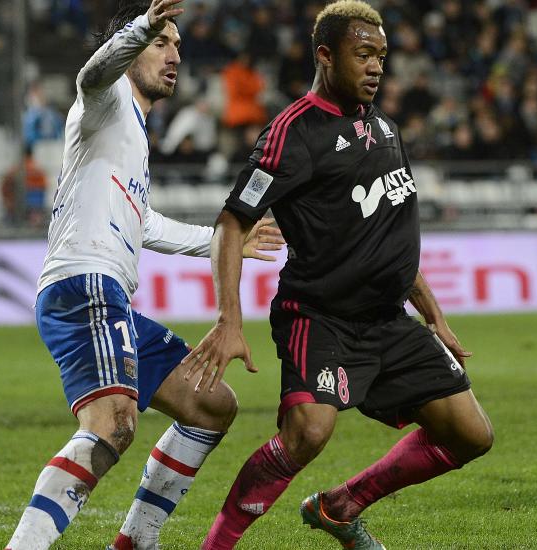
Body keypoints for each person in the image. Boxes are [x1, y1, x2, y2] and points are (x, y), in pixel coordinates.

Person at [183, 2, 494, 548]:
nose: (376, 67)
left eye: (381, 56)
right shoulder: (293, 133)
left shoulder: (385, 129)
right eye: (363, 55)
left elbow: (389, 235)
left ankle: (341, 506)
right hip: (320, 318)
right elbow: (231, 224)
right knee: (308, 433)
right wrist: (229, 320)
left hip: (388, 321)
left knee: (471, 435)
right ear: (325, 56)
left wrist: (434, 314)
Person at [5, 2, 284, 549]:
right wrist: (137, 30)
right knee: (113, 424)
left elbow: (144, 222)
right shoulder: (105, 101)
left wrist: (223, 242)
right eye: (162, 43)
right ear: (131, 49)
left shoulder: (132, 131)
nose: (174, 54)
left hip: (112, 299)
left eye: (177, 45)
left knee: (211, 404)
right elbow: (90, 74)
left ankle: (136, 541)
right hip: (85, 283)